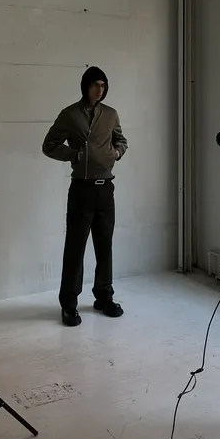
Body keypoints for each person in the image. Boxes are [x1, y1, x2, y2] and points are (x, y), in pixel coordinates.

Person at [42, 66, 127, 327]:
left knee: (105, 246)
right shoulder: (70, 114)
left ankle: (104, 296)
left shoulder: (110, 114)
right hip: (81, 189)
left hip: (106, 189)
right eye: (94, 85)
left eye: (103, 85)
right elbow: (49, 145)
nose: (99, 90)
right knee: (75, 247)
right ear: (85, 87)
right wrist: (75, 155)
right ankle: (69, 304)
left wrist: (118, 152)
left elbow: (121, 140)